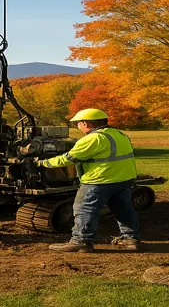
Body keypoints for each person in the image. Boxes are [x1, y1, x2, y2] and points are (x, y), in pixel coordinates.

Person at [36, 108, 140, 253]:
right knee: (123, 210)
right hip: (123, 179)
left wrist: (42, 163)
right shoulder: (120, 134)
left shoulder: (93, 138)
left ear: (85, 124)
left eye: (78, 123)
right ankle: (130, 240)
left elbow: (69, 159)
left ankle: (81, 241)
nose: (77, 126)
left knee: (84, 209)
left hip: (99, 180)